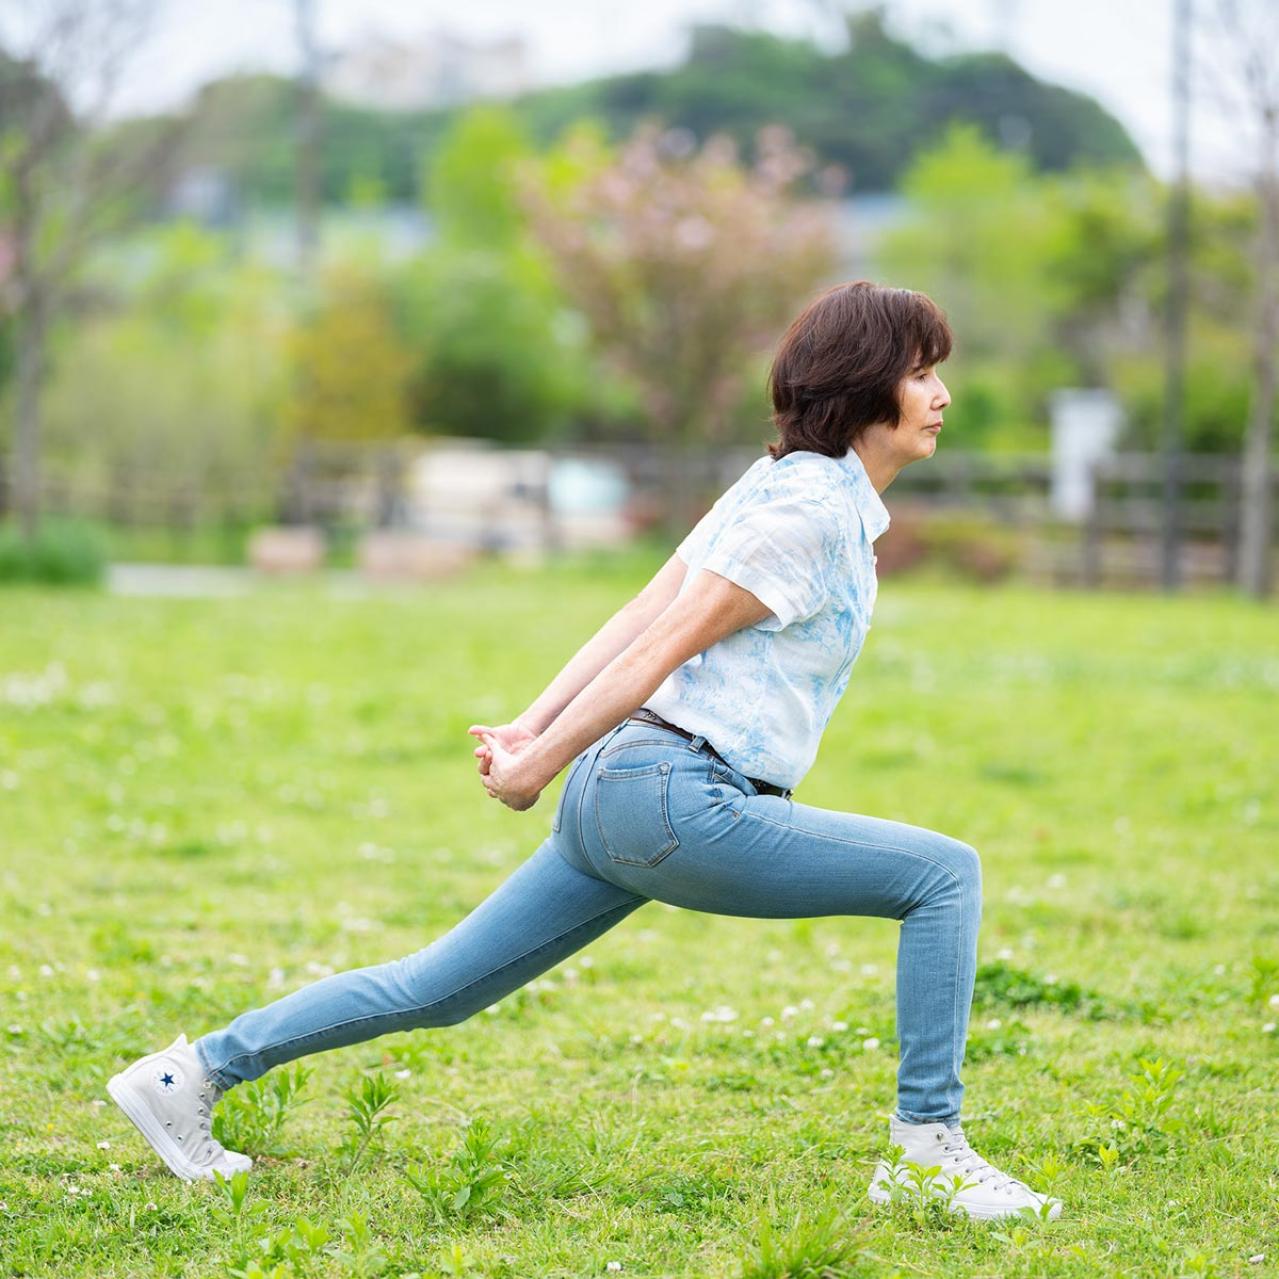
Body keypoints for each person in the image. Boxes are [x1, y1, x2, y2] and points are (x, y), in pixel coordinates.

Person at [107, 280, 1062, 1222]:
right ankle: (927, 1151)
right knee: (942, 876)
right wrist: (537, 756)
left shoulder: (786, 487)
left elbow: (641, 607)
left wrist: (532, 726)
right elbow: (661, 638)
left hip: (632, 791)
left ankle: (189, 1072)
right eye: (920, 372)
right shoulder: (805, 513)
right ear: (863, 385)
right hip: (676, 796)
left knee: (436, 987)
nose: (940, 395)